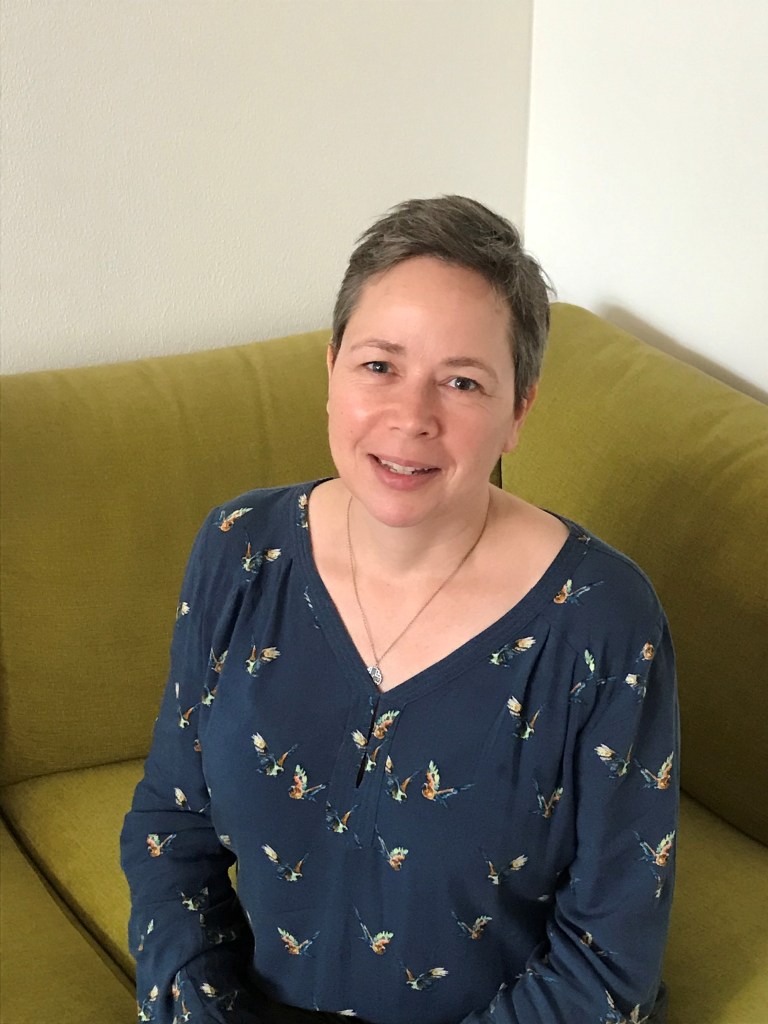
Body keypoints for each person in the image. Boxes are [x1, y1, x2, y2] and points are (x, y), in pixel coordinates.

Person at [121, 196, 679, 1024]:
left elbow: (607, 963)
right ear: (331, 373)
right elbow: (171, 828)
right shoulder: (240, 549)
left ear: (518, 411)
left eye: (462, 381)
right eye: (380, 366)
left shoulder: (603, 621)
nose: (412, 418)